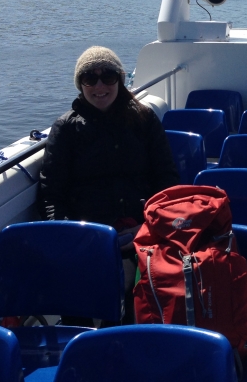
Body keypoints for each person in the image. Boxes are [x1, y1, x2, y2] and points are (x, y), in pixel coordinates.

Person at [38, 46, 180, 321]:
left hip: (141, 230)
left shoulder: (144, 119)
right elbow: (51, 194)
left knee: (138, 298)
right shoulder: (66, 128)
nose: (100, 86)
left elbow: (167, 181)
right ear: (80, 84)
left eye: (108, 77)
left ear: (120, 80)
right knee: (79, 301)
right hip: (87, 235)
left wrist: (149, 226)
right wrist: (72, 236)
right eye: (90, 78)